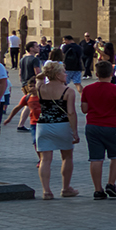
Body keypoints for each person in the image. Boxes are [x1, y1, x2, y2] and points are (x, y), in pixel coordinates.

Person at [79, 59, 116, 199]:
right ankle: (111, 183)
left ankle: (97, 189)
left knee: (96, 158)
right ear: (112, 73)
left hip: (93, 126)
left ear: (96, 73)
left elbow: (84, 109)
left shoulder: (88, 89)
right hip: (112, 126)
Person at [31, 62, 80, 199]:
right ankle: (65, 188)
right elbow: (71, 112)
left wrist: (46, 73)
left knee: (45, 159)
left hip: (43, 125)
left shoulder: (40, 88)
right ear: (58, 75)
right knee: (67, 157)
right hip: (62, 125)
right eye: (63, 72)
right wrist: (74, 131)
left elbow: (39, 77)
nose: (66, 75)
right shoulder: (68, 91)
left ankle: (46, 191)